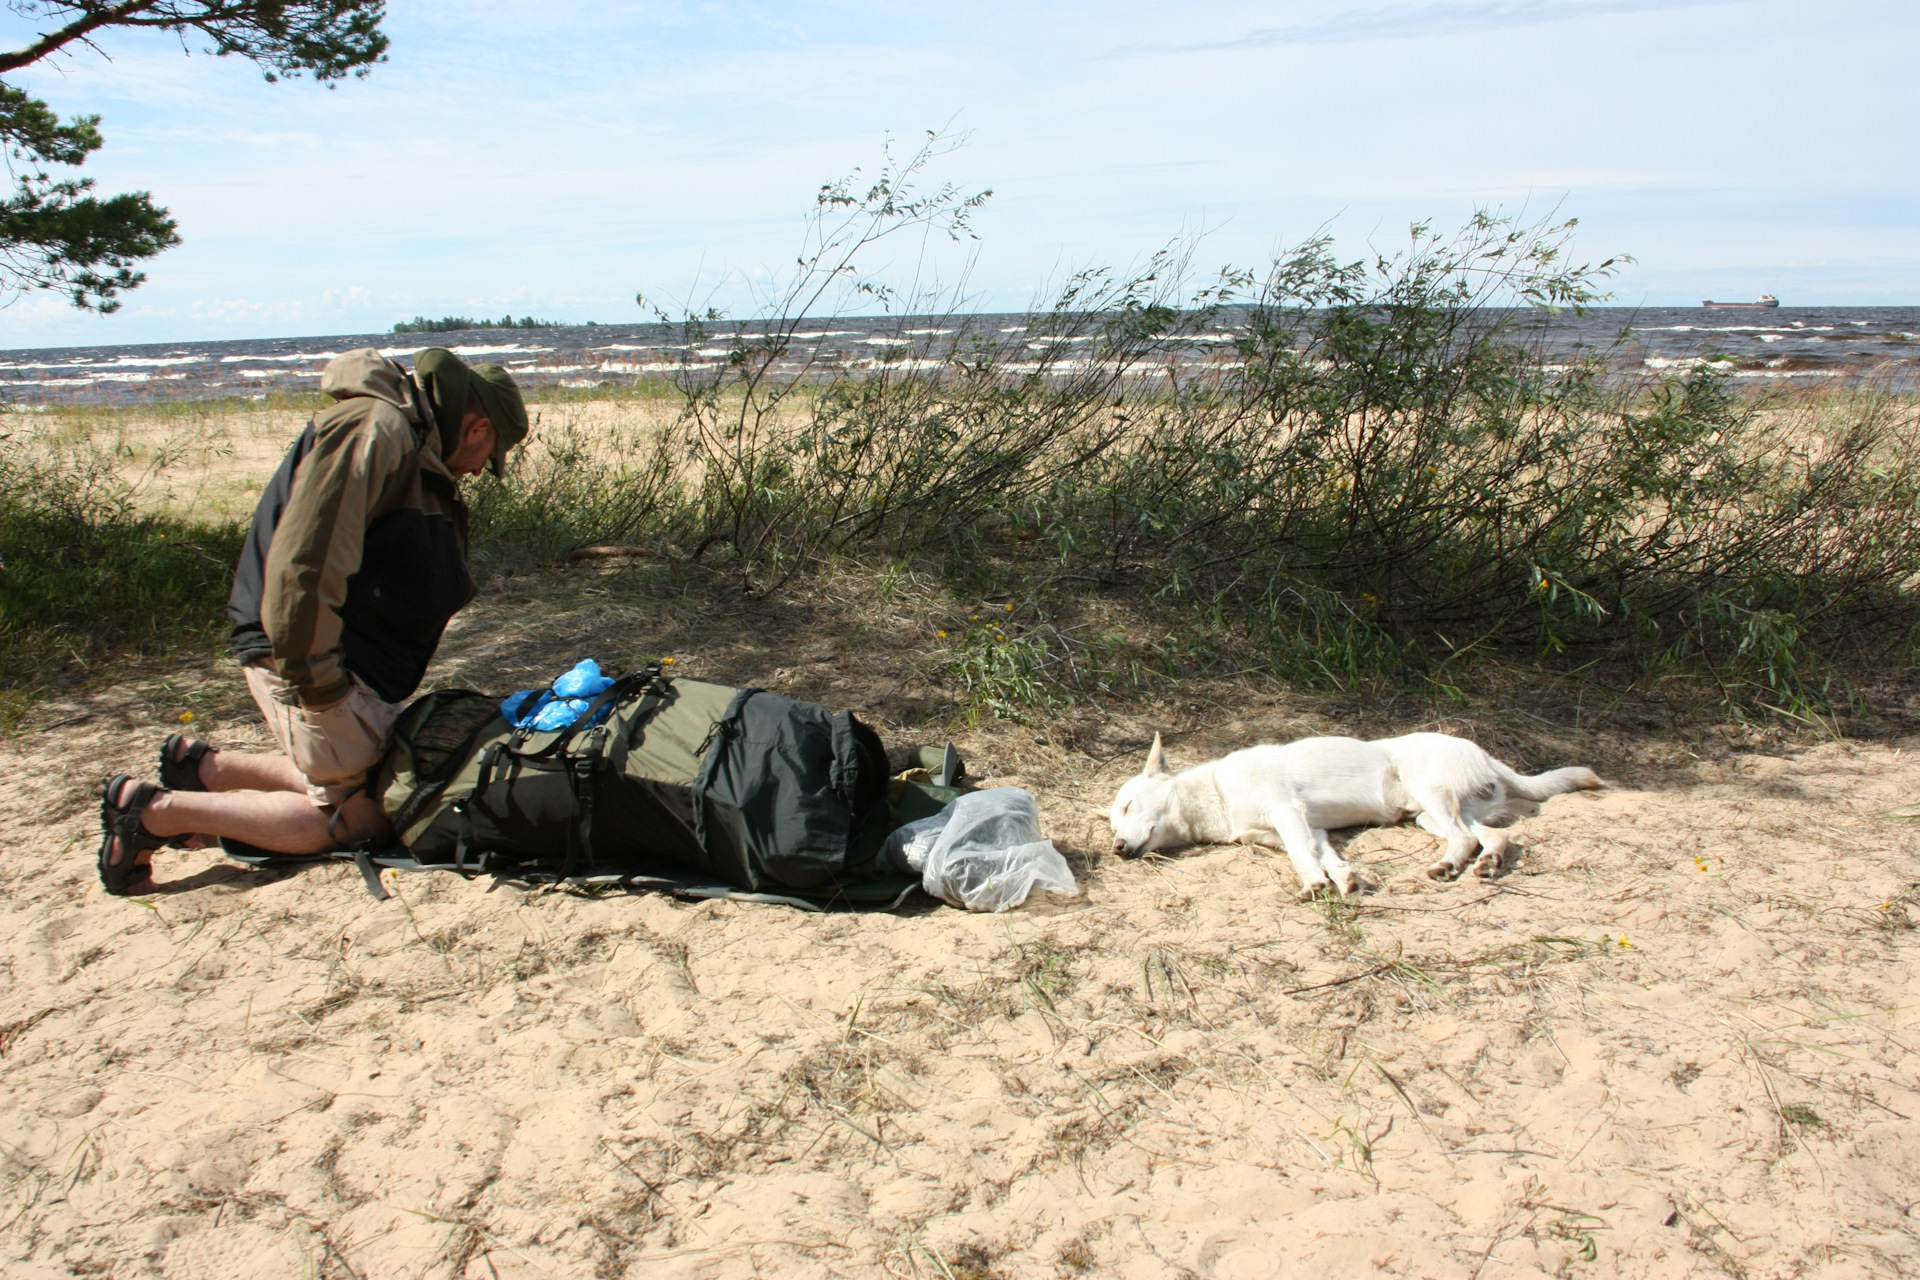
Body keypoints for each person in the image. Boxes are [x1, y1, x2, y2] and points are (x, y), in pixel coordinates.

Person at [96, 348, 528, 894]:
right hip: (314, 661)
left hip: (347, 661)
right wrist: (320, 684)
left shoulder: (408, 441)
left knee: (386, 777)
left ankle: (207, 769)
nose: (478, 470)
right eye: (489, 454)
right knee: (363, 821)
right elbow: (307, 560)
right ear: (478, 427)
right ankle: (155, 812)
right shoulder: (377, 429)